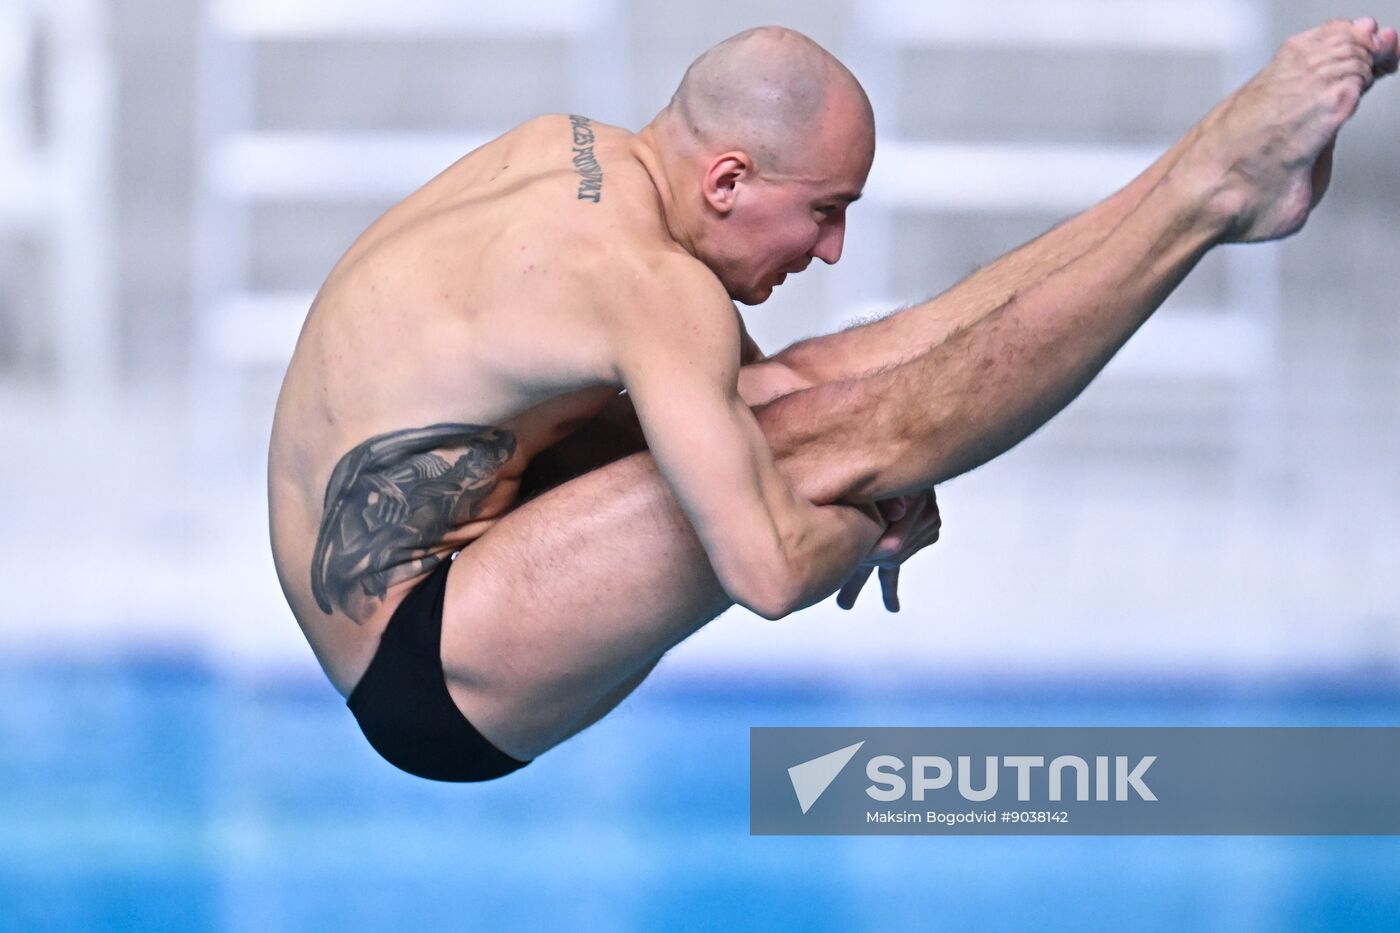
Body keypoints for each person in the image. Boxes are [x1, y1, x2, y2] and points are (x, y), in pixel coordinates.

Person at [268, 19, 1399, 781]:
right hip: (426, 667)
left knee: (810, 395)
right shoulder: (650, 286)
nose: (832, 246)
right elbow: (765, 573)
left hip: (450, 558)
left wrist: (852, 468)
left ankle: (1204, 172)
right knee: (844, 440)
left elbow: (778, 398)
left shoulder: (566, 154)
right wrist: (858, 520)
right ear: (726, 179)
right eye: (821, 212)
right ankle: (1206, 198)